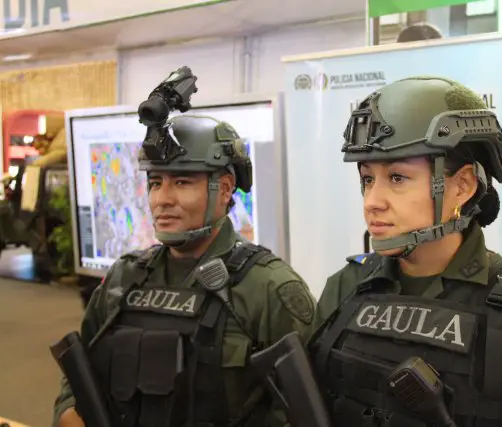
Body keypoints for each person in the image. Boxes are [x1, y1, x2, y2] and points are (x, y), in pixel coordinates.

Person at [308, 76, 502, 426]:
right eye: (367, 179)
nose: (372, 202)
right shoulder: (345, 289)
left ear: (462, 186)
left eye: (397, 178)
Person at [53, 114, 317, 427]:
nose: (162, 199)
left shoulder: (269, 288)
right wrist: (70, 414)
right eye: (155, 183)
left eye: (181, 182)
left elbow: (306, 410)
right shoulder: (123, 279)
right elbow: (78, 379)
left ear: (224, 189)